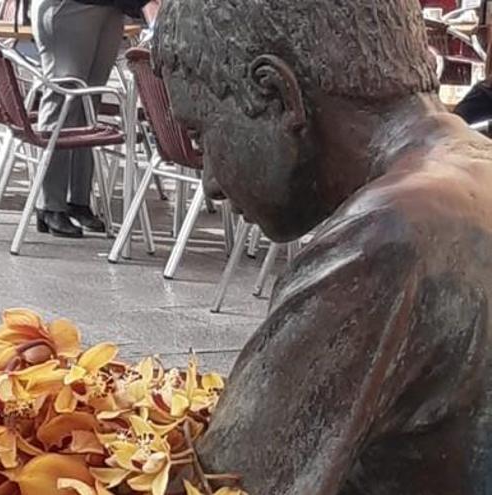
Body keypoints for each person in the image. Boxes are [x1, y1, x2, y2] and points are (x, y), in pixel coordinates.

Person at [154, 0, 491, 493]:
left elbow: (223, 482)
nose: (210, 184)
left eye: (202, 136)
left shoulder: (382, 238)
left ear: (277, 95)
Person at [31, 0, 147, 237]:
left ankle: (79, 200)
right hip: (70, 7)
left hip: (112, 8)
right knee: (65, 96)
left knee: (90, 101)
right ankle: (50, 204)